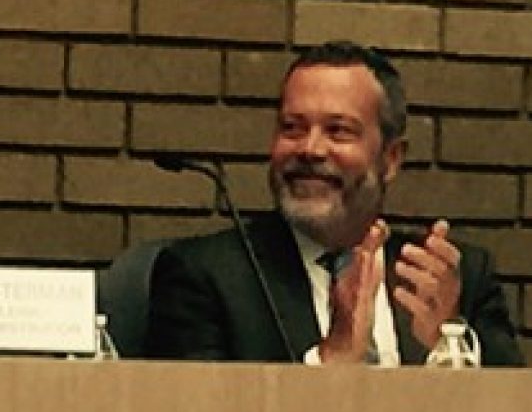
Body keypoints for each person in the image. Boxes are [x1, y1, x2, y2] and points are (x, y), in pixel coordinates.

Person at [144, 41, 523, 366]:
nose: (310, 149)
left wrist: (449, 345)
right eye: (292, 127)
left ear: (390, 159)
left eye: (338, 130)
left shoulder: (457, 279)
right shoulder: (206, 277)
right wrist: (332, 360)